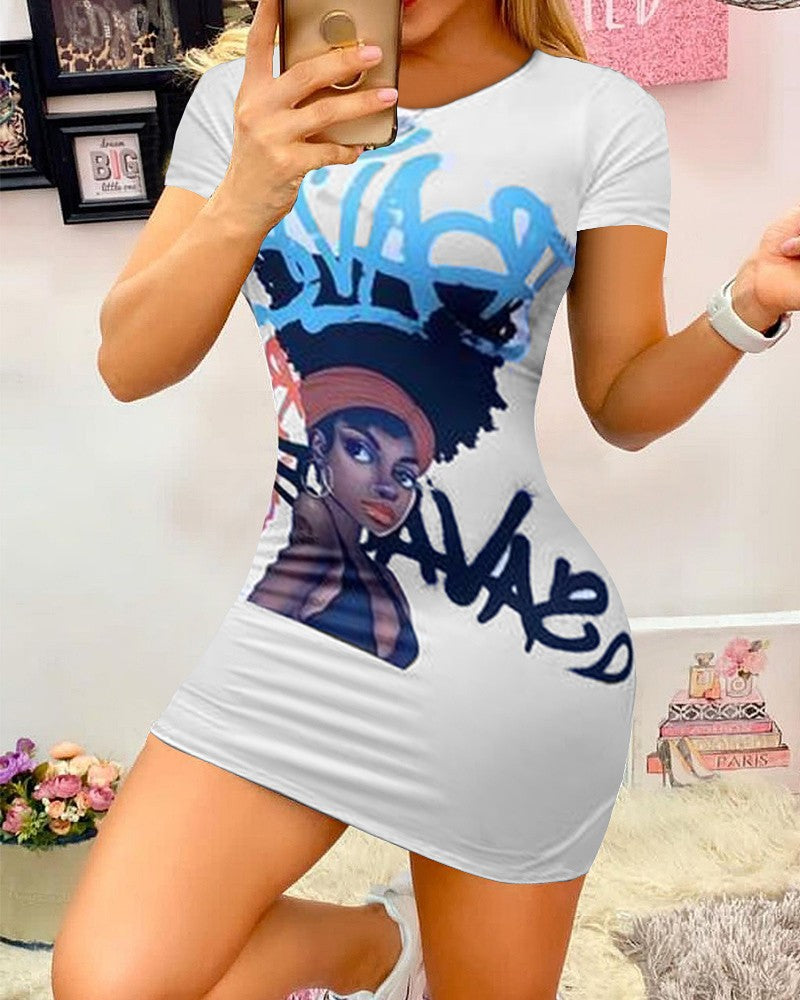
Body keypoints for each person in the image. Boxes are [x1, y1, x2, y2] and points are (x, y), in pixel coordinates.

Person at [51, 1, 799, 998]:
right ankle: (381, 945)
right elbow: (129, 361)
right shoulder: (246, 103)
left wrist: (747, 305)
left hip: (516, 648)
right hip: (298, 625)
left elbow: (623, 405)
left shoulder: (596, 115)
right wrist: (247, 194)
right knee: (110, 982)